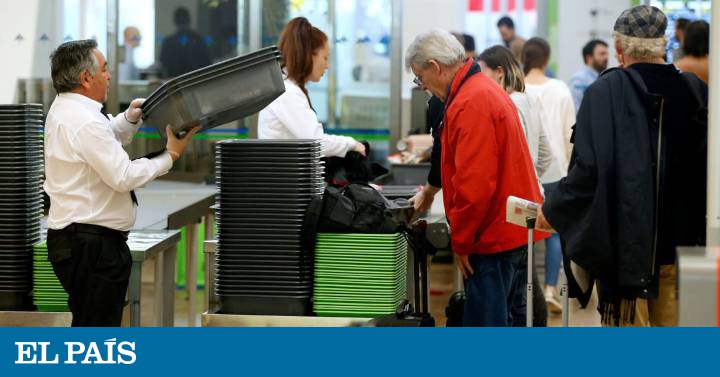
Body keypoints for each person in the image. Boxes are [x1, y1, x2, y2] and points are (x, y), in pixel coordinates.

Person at [537, 5, 708, 327]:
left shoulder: (606, 91)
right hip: (684, 250)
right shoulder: (694, 91)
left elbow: (586, 173)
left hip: (627, 254)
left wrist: (553, 208)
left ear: (618, 47)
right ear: (665, 43)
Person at [44, 39, 199, 327]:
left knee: (91, 325)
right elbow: (123, 176)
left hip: (82, 242)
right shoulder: (83, 121)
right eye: (104, 69)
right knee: (96, 332)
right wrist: (171, 155)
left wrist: (130, 118)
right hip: (92, 247)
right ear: (86, 78)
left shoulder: (69, 109)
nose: (109, 76)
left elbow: (101, 141)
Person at [405, 29, 547, 326]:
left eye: (420, 78)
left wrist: (462, 241)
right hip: (509, 228)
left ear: (435, 66)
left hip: (492, 235)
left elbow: (476, 186)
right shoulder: (479, 88)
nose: (423, 86)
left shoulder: (470, 101)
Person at [258, 17, 365, 157]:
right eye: (325, 58)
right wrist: (352, 144)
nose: (327, 66)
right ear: (308, 55)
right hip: (283, 177)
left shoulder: (287, 88)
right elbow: (317, 142)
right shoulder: (287, 92)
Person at [522, 37, 576, 314]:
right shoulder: (561, 89)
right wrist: (568, 166)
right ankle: (551, 289)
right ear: (546, 59)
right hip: (556, 169)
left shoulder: (515, 90)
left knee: (521, 230)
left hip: (525, 170)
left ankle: (523, 290)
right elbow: (570, 134)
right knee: (554, 232)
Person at [159, 7, 212, 78]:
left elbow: (163, 64)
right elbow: (207, 63)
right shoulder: (199, 40)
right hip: (196, 82)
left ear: (174, 21)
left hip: (175, 84)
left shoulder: (168, 42)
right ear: (189, 20)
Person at [568, 39, 609, 112]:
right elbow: (576, 110)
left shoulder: (603, 77)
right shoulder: (579, 79)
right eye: (602, 54)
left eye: (606, 54)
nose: (606, 57)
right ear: (589, 58)